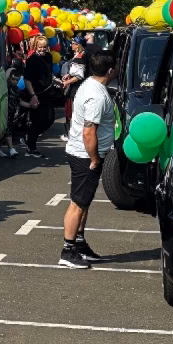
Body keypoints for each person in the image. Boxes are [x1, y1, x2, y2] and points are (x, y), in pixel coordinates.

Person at [58, 50, 117, 269]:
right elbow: (88, 132)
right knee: (78, 203)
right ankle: (67, 250)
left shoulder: (89, 84)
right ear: (110, 70)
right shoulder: (97, 96)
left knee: (85, 201)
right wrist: (94, 158)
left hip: (83, 152)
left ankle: (79, 244)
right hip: (85, 155)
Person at [21, 35, 53, 156]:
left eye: (44, 47)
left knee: (49, 119)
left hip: (47, 92)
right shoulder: (32, 59)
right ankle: (31, 146)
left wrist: (56, 80)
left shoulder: (49, 57)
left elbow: (48, 73)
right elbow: (27, 79)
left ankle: (29, 138)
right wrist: (33, 95)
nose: (42, 49)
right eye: (40, 47)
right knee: (38, 120)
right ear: (36, 47)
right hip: (36, 93)